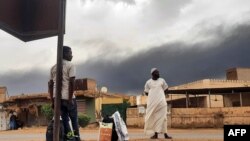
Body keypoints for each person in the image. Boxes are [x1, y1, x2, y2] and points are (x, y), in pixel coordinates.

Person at [48, 46, 80, 141]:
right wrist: (70, 99)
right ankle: (76, 139)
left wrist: (53, 101)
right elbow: (72, 82)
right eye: (70, 53)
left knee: (65, 121)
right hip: (68, 98)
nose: (72, 55)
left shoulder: (53, 67)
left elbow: (50, 84)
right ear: (65, 54)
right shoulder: (71, 65)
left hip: (58, 99)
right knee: (74, 121)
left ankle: (71, 138)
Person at [144, 68, 172, 139]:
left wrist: (161, 96)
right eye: (157, 72)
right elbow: (146, 92)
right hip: (152, 104)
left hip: (162, 103)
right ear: (153, 74)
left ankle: (165, 135)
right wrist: (153, 97)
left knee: (164, 118)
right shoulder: (148, 82)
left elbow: (166, 89)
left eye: (159, 72)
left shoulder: (162, 80)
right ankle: (155, 134)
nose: (159, 74)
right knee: (154, 118)